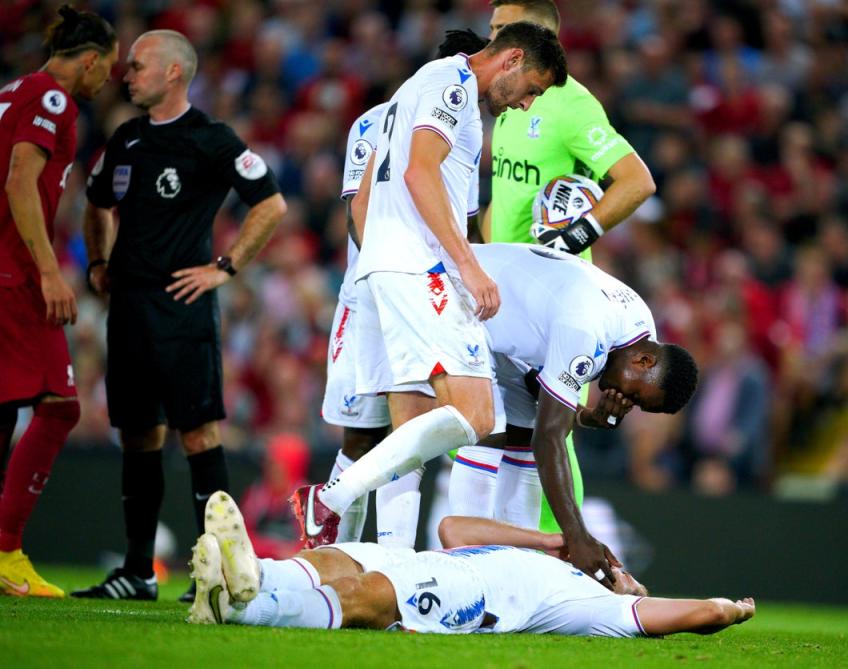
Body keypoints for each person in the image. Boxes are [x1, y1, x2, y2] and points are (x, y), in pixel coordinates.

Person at [293, 23, 567, 548]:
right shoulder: (454, 86)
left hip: (387, 268)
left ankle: (391, 572)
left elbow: (370, 191)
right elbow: (419, 175)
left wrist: (377, 265)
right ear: (510, 59)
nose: (527, 103)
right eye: (532, 87)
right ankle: (330, 498)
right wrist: (465, 266)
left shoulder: (416, 88)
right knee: (478, 414)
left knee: (409, 432)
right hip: (421, 270)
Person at [297, 243, 698, 586]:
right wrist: (577, 537)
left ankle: (508, 574)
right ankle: (343, 505)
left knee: (516, 431)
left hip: (494, 327)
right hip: (447, 290)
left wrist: (592, 417)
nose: (625, 401)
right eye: (636, 396)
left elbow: (542, 405)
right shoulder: (588, 330)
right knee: (471, 421)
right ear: (644, 360)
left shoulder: (637, 325)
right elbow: (551, 438)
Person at [72, 29, 287, 602]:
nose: (127, 73)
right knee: (138, 434)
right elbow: (95, 205)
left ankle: (213, 575)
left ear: (173, 72)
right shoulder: (125, 139)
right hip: (130, 307)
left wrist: (226, 266)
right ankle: (139, 571)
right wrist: (98, 260)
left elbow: (270, 202)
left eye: (138, 65)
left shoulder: (209, 139)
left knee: (197, 433)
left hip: (184, 307)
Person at [474, 0, 658, 539]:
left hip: (552, 297)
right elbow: (504, 194)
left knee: (551, 432)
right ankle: (499, 556)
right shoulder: (505, 101)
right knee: (497, 429)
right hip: (496, 288)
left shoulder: (573, 107)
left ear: (529, 38)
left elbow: (636, 181)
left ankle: (566, 554)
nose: (488, 40)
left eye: (498, 30)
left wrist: (577, 235)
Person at [322, 30, 489, 548]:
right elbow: (359, 211)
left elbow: (463, 221)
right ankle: (336, 557)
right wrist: (391, 276)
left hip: (412, 288)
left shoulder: (449, 122)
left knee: (406, 429)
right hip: (387, 287)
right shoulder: (382, 119)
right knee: (368, 436)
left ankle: (381, 565)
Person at [189, 492, 755, 638]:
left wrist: (726, 610)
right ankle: (252, 577)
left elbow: (692, 612)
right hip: (436, 557)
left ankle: (242, 609)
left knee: (371, 591)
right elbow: (453, 529)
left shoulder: (591, 605)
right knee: (339, 556)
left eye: (625, 569)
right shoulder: (549, 557)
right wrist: (553, 539)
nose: (617, 567)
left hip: (467, 593)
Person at [0, 5, 118, 598]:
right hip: (15, 274)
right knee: (60, 404)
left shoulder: (13, 89)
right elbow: (19, 180)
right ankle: (8, 551)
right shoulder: (52, 99)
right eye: (109, 68)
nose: (108, 81)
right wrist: (49, 271)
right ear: (90, 60)